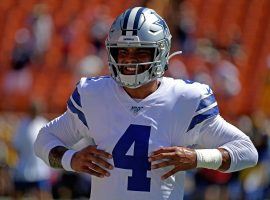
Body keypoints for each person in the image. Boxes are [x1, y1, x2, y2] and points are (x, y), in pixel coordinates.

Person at [34, 7, 258, 200]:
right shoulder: (93, 94)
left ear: (161, 52)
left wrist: (197, 158)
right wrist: (70, 159)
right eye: (123, 51)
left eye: (141, 51)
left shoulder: (187, 99)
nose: (129, 59)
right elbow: (44, 139)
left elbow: (247, 152)